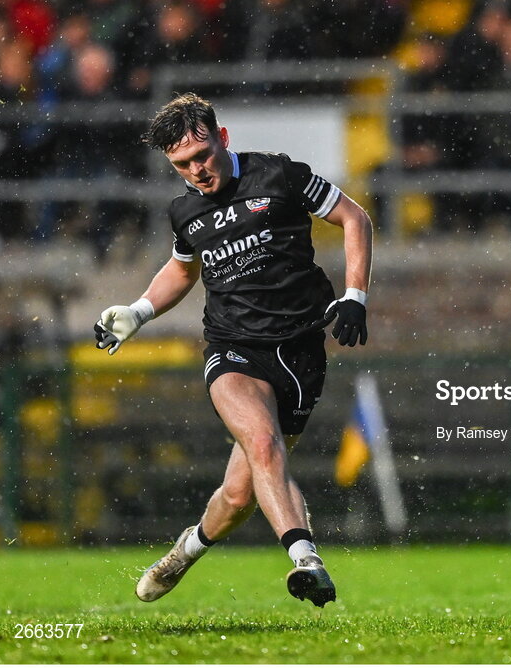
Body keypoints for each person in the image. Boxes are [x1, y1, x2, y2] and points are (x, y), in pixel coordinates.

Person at [93, 92, 373, 607]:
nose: (197, 170)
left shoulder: (279, 175)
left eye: (203, 155)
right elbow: (182, 268)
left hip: (302, 352)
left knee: (241, 495)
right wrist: (138, 311)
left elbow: (355, 219)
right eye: (182, 164)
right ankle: (306, 559)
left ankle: (183, 552)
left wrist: (355, 296)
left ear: (223, 139)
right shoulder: (185, 210)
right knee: (265, 445)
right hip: (232, 348)